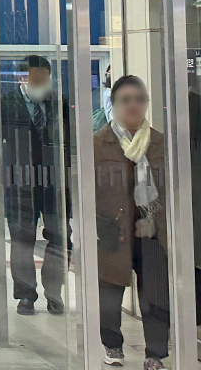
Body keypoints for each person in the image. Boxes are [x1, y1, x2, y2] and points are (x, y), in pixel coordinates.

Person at [96, 75, 170, 370]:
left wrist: (156, 219)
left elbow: (170, 189)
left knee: (154, 295)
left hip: (151, 231)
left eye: (139, 99)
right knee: (111, 293)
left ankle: (155, 354)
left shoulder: (158, 142)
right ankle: (112, 346)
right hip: (113, 231)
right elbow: (85, 190)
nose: (133, 105)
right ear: (113, 105)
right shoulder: (98, 143)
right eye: (126, 100)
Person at [0, 55, 72, 315]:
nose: (42, 85)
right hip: (19, 184)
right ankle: (25, 295)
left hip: (53, 184)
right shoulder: (6, 104)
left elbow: (69, 142)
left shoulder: (58, 103)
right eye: (36, 80)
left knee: (60, 237)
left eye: (45, 79)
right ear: (21, 79)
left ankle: (54, 292)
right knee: (21, 240)